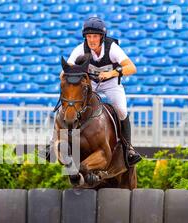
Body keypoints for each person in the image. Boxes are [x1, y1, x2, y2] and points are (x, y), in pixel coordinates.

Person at [60, 16, 142, 165]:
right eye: (89, 36)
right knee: (69, 104)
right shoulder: (79, 49)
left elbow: (132, 67)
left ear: (102, 37)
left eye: (95, 36)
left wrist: (111, 73)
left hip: (110, 84)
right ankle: (54, 142)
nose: (91, 40)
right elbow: (65, 72)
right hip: (90, 84)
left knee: (121, 110)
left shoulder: (112, 48)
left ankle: (128, 148)